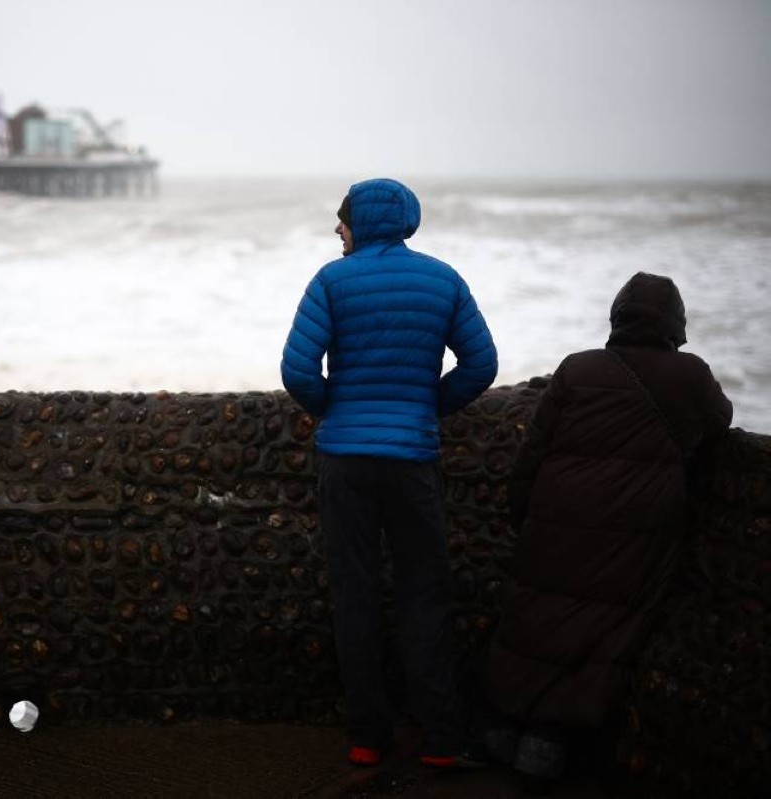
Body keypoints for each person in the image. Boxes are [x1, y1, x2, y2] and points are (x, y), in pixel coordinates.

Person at [477, 272, 733, 786]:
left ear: (618, 318)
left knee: (535, 620)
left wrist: (520, 511)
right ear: (673, 324)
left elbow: (533, 451)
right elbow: (720, 421)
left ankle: (500, 734)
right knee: (598, 633)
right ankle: (546, 749)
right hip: (633, 529)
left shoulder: (578, 368)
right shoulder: (688, 375)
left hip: (555, 514)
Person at [281, 178, 498, 768]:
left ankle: (367, 737)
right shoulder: (443, 279)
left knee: (355, 596)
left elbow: (298, 371)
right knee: (424, 597)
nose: (336, 229)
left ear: (362, 223)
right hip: (413, 462)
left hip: (346, 465)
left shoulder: (331, 281)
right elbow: (481, 363)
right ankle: (442, 741)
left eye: (342, 220)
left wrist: (340, 410)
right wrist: (426, 408)